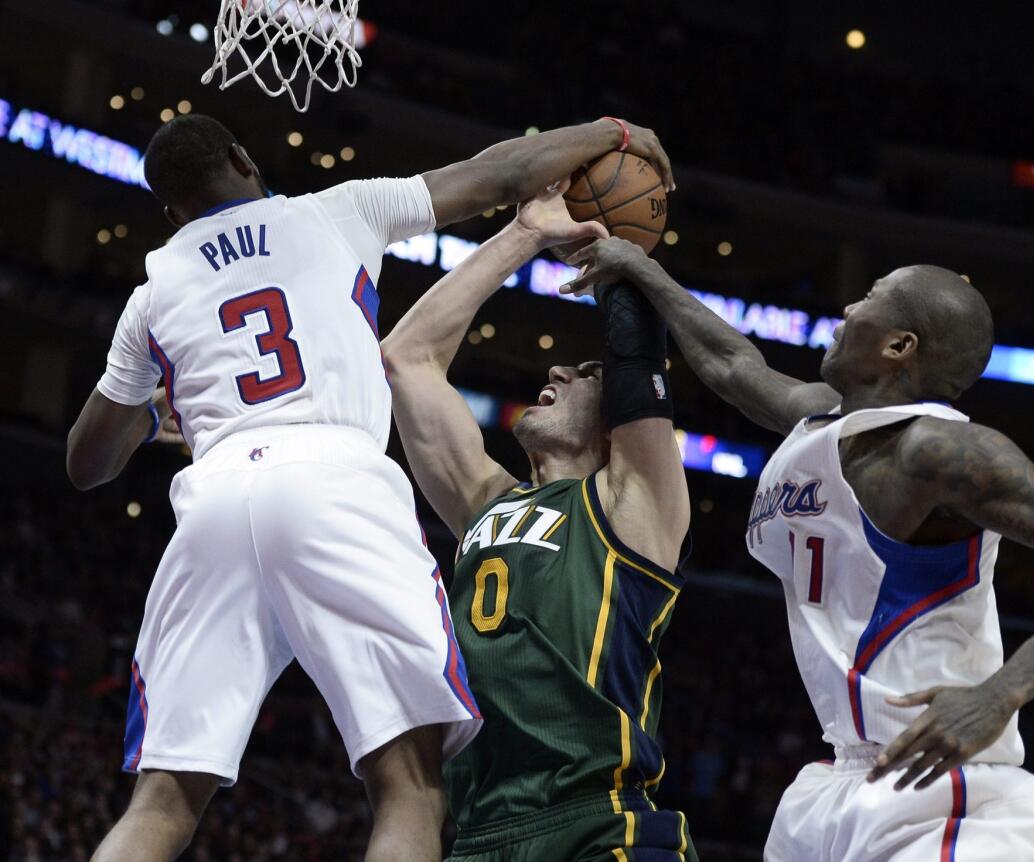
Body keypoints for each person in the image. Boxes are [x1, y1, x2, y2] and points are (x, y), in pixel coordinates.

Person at [65, 112, 673, 862]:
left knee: (159, 804)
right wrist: (612, 131)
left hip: (214, 494)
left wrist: (152, 409)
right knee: (409, 785)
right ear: (242, 157)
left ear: (171, 213)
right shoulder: (334, 211)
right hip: (334, 479)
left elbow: (86, 463)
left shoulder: (152, 294)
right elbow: (505, 170)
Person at [563, 239, 1034, 861]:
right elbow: (731, 366)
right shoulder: (823, 422)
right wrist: (639, 269)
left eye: (872, 297)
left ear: (898, 346)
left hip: (945, 783)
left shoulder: (937, 452)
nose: (851, 306)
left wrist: (1000, 695)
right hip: (841, 778)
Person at [380, 186, 696, 861]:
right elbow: (406, 358)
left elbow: (638, 363)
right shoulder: (485, 501)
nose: (556, 369)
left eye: (585, 373)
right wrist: (525, 233)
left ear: (616, 425)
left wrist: (616, 256)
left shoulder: (633, 505)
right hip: (479, 831)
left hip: (599, 823)